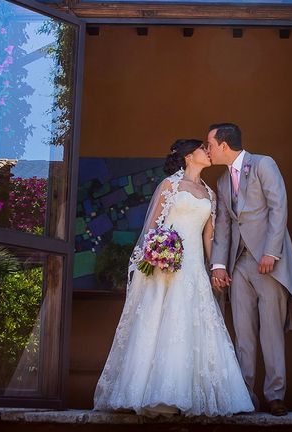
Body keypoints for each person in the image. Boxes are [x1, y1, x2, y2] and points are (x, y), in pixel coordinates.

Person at [93, 139, 254, 417]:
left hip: (193, 268)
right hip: (165, 266)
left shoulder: (209, 193)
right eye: (203, 148)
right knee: (159, 324)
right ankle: (155, 393)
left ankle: (192, 394)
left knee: (194, 323)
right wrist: (156, 253)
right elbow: (152, 227)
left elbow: (209, 237)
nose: (208, 151)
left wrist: (216, 266)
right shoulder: (170, 185)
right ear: (188, 156)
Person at [207, 123, 292, 417]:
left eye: (210, 144)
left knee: (271, 332)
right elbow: (224, 225)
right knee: (243, 334)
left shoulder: (263, 164)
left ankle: (274, 396)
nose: (208, 149)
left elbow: (279, 208)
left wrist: (270, 252)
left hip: (268, 265)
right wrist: (219, 265)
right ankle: (245, 397)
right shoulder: (223, 182)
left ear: (224, 145)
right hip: (239, 265)